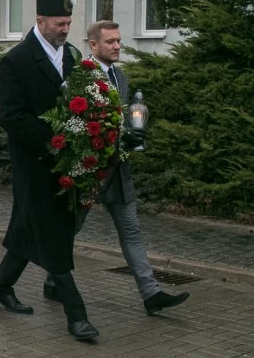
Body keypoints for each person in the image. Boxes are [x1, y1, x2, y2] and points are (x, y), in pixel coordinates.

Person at [0, 0, 99, 341]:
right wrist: (53, 142)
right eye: (60, 23)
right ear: (40, 21)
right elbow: (8, 115)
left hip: (65, 163)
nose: (66, 29)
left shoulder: (71, 56)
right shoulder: (15, 61)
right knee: (51, 235)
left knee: (28, 229)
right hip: (34, 163)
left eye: (69, 22)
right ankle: (76, 313)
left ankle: (0, 288)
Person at [42, 21, 189, 316]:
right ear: (93, 45)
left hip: (118, 172)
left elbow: (119, 119)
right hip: (90, 170)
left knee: (131, 231)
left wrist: (132, 134)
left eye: (119, 41)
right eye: (110, 42)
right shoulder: (79, 77)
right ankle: (53, 279)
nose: (117, 46)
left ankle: (151, 294)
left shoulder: (120, 77)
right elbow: (76, 125)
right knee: (71, 228)